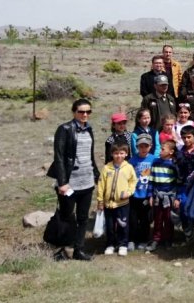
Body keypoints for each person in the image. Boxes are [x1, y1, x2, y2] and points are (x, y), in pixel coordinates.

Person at [47, 98, 100, 261]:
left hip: (87, 180)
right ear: (74, 112)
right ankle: (61, 250)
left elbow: (90, 155)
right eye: (81, 111)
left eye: (88, 112)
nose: (85, 114)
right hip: (70, 182)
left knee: (83, 218)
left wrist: (96, 174)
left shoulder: (89, 129)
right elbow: (60, 157)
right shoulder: (65, 129)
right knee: (66, 216)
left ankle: (78, 249)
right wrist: (62, 182)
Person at [96, 142, 136, 257]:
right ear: (112, 154)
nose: (119, 156)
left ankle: (123, 244)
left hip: (122, 203)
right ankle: (110, 244)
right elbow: (101, 185)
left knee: (123, 224)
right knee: (109, 225)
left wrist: (129, 192)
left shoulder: (128, 168)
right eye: (116, 153)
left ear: (126, 154)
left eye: (121, 153)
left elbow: (133, 182)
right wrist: (100, 200)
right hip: (108, 204)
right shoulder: (106, 168)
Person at [147, 140, 181, 251]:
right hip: (157, 196)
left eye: (163, 149)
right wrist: (150, 195)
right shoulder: (155, 162)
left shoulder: (173, 165)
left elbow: (178, 182)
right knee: (157, 218)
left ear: (171, 152)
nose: (160, 151)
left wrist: (177, 197)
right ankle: (156, 239)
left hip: (169, 197)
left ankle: (168, 240)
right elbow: (151, 179)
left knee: (168, 218)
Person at [128, 133, 156, 250]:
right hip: (134, 194)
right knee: (133, 219)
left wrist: (152, 195)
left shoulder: (154, 160)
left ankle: (144, 240)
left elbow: (155, 178)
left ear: (151, 146)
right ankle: (132, 240)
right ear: (137, 147)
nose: (143, 149)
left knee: (145, 219)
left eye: (146, 146)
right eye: (141, 146)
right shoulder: (132, 160)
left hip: (147, 195)